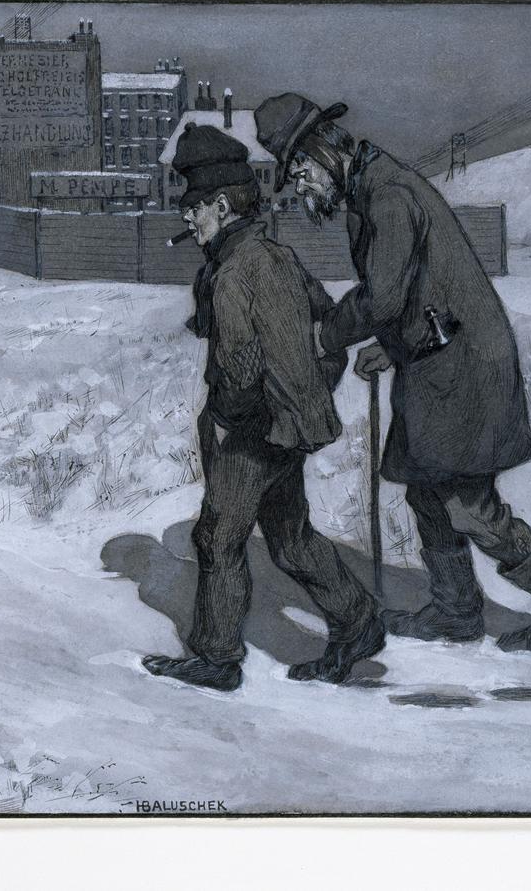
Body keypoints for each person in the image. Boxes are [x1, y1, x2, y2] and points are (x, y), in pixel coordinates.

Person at [253, 92, 531, 655]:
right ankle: (456, 609)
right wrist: (390, 349)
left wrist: (326, 334)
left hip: (465, 367)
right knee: (424, 490)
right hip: (435, 358)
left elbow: (385, 297)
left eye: (300, 169)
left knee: (467, 506)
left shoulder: (388, 196)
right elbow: (420, 288)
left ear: (324, 150)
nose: (300, 184)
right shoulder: (370, 191)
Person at [141, 123, 385, 692]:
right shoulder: (276, 254)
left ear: (222, 207)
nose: (187, 218)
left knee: (218, 537)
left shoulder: (231, 275)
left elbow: (241, 371)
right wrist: (311, 390)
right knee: (290, 536)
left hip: (252, 428)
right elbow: (328, 323)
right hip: (287, 424)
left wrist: (225, 423)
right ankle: (358, 621)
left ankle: (217, 657)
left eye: (195, 208)